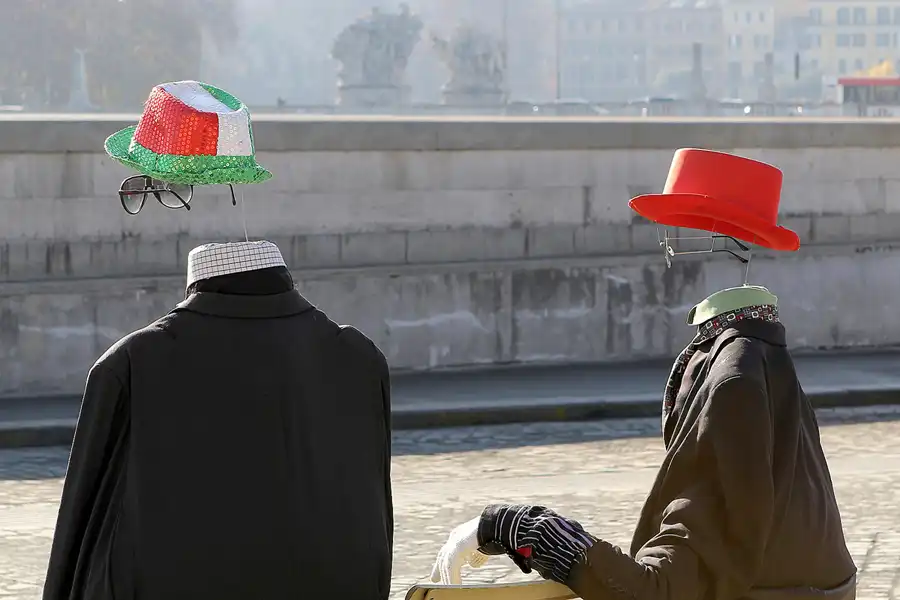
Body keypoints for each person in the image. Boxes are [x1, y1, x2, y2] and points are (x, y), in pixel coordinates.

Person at [430, 149, 857, 600]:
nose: (666, 248)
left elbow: (661, 590)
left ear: (720, 242)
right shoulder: (763, 355)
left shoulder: (736, 379)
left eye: (674, 230)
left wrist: (513, 527)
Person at [42, 81, 393, 600]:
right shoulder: (361, 361)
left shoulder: (133, 368)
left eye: (140, 190)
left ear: (175, 196)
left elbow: (76, 557)